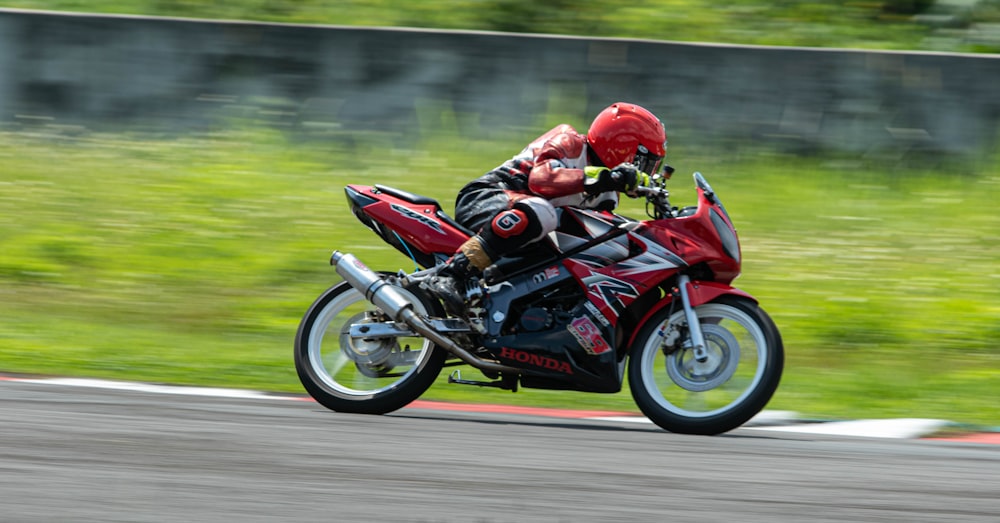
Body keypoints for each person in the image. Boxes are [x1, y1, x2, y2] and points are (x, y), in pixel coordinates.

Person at [426, 102, 668, 313]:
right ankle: (450, 275)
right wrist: (602, 177)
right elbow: (541, 180)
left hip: (525, 230)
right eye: (642, 162)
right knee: (542, 213)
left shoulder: (608, 195)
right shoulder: (570, 141)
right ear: (622, 146)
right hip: (486, 198)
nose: (644, 172)